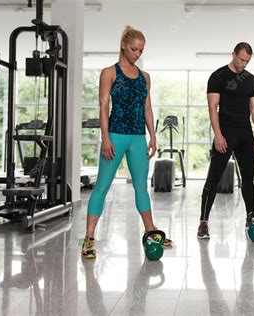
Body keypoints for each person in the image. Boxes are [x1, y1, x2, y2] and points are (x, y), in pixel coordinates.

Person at [82, 26, 171, 259]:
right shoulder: (109, 73)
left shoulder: (145, 77)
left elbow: (147, 107)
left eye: (141, 50)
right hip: (116, 135)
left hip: (137, 138)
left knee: (141, 187)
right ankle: (89, 238)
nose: (137, 54)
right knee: (102, 186)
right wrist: (105, 138)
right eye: (134, 49)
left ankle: (151, 231)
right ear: (124, 46)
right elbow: (103, 105)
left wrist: (152, 135)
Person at [197, 42, 254, 239]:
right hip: (226, 132)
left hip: (245, 133)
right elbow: (212, 107)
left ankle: (250, 217)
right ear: (233, 54)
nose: (243, 64)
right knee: (214, 178)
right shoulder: (218, 76)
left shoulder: (251, 79)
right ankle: (203, 222)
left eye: (247, 61)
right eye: (241, 59)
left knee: (248, 179)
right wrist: (218, 135)